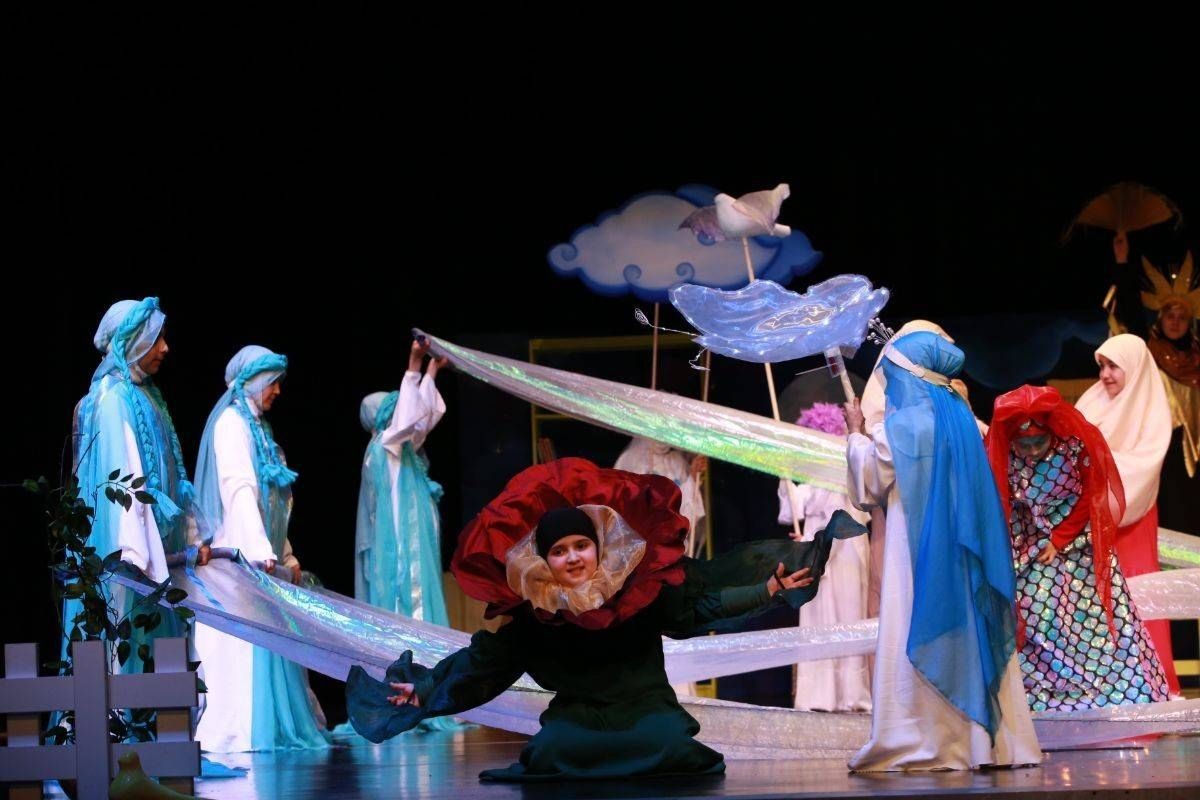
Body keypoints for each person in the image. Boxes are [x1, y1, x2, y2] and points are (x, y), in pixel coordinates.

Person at [346, 458, 864, 781]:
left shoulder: (640, 587)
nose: (572, 557)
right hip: (581, 715)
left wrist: (767, 589)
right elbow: (485, 663)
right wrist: (426, 689)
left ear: (597, 549)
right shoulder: (539, 612)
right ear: (545, 561)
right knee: (554, 750)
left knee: (670, 746)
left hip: (645, 708)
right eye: (559, 551)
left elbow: (698, 609)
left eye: (580, 545)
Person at [844, 332, 1041, 771]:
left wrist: (855, 433)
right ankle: (984, 743)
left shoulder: (902, 427)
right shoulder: (963, 418)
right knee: (968, 630)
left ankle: (926, 739)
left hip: (913, 554)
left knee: (916, 620)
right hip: (962, 552)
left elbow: (869, 484)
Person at [986, 385, 1170, 710]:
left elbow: (1091, 493)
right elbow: (1002, 501)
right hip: (1030, 542)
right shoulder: (1005, 454)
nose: (1032, 451)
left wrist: (1060, 538)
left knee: (1091, 617)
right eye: (1024, 444)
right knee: (1033, 611)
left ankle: (1112, 693)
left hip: (1076, 542)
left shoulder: (1072, 447)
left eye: (1038, 442)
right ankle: (1044, 696)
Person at [193, 346, 329, 752]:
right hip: (239, 554)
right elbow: (239, 490)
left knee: (266, 643)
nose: (277, 391)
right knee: (241, 646)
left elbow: (274, 502)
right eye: (272, 382)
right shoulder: (231, 424)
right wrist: (258, 550)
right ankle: (241, 728)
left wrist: (284, 553)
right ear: (251, 382)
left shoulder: (260, 431)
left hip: (260, 552)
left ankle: (266, 724)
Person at [68, 297, 208, 674]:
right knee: (127, 656)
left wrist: (189, 537)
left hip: (155, 555)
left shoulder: (144, 395)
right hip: (133, 562)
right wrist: (135, 556)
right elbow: (122, 477)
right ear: (133, 341)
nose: (165, 348)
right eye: (156, 338)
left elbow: (171, 477)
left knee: (156, 660)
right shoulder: (113, 398)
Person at [1076, 333, 1179, 695]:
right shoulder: (1091, 399)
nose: (1105, 374)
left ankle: (1152, 686)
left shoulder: (1151, 408)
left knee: (1137, 598)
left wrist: (1095, 468)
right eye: (1102, 365)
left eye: (1114, 366)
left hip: (1131, 518)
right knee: (1093, 600)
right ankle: (1101, 688)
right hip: (1089, 521)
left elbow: (1142, 466)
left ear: (1133, 367)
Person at [778, 402, 871, 711]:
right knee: (819, 615)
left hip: (844, 549)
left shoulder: (845, 471)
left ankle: (850, 694)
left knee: (847, 615)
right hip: (817, 551)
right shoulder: (813, 478)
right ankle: (821, 694)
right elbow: (793, 509)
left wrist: (810, 540)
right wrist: (784, 475)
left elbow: (844, 513)